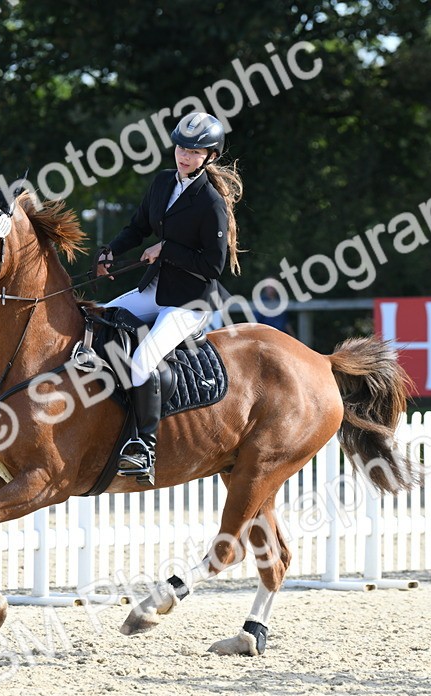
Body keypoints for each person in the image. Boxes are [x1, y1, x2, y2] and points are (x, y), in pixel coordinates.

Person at [94, 111, 242, 484]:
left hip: (189, 303)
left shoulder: (210, 203)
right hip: (155, 290)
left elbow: (213, 265)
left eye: (194, 152)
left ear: (209, 156)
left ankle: (144, 446)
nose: (184, 156)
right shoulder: (162, 183)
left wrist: (166, 249)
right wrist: (111, 249)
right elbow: (137, 226)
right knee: (99, 320)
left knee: (143, 360)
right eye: (181, 147)